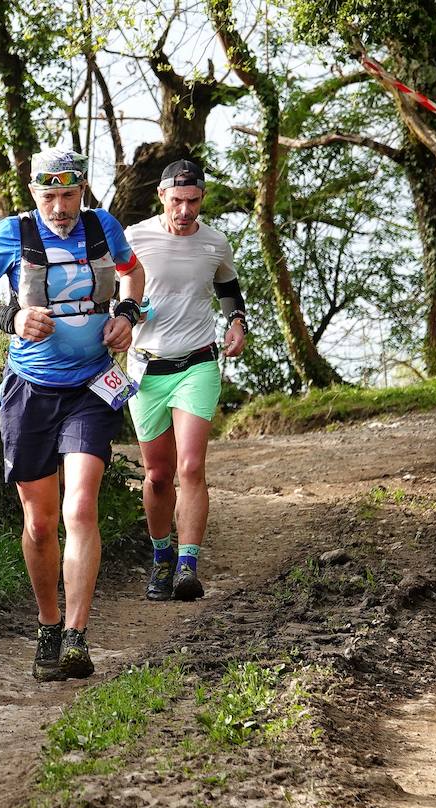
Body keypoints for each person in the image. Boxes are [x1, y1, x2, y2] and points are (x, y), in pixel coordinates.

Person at [0, 148, 145, 682]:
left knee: (80, 509)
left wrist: (128, 314)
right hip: (31, 390)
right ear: (33, 194)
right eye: (49, 196)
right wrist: (9, 317)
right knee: (40, 523)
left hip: (91, 386)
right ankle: (48, 624)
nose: (59, 207)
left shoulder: (103, 226)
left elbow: (134, 274)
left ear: (82, 190)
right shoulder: (13, 233)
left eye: (68, 195)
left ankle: (76, 639)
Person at [123, 159, 247, 602]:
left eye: (193, 201)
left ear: (202, 200)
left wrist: (236, 322)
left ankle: (187, 566)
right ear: (162, 197)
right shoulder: (134, 238)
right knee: (158, 475)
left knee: (191, 467)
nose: (185, 210)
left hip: (197, 363)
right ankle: (161, 558)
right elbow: (109, 289)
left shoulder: (215, 243)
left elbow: (228, 286)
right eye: (177, 200)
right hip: (146, 370)